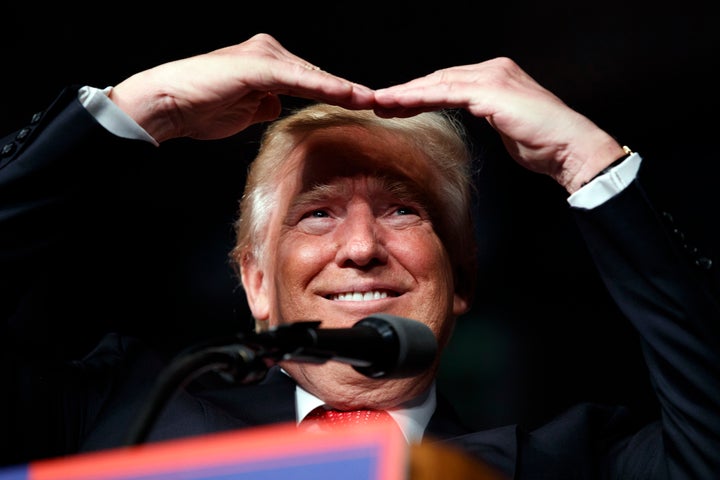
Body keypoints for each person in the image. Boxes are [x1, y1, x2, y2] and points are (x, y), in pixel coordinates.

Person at [0, 32, 717, 478]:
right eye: (317, 214)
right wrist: (128, 112)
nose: (363, 247)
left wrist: (591, 162)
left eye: (404, 209)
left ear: (460, 275)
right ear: (255, 283)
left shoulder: (577, 462)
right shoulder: (114, 410)